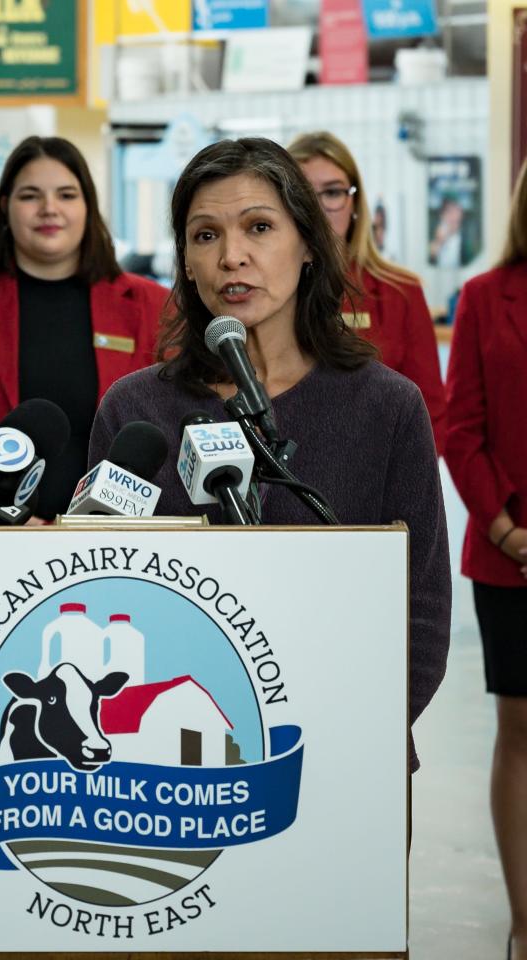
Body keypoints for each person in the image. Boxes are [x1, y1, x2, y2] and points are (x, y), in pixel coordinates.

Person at [89, 137, 450, 772]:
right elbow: (104, 598)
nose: (233, 256)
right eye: (205, 236)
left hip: (352, 755)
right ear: (186, 262)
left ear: (309, 245)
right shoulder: (134, 410)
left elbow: (419, 614)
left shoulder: (389, 407)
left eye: (259, 227)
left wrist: (356, 731)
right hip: (171, 765)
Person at [0, 135, 169, 519]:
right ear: (5, 207)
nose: (49, 209)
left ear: (89, 206)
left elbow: (166, 431)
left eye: (67, 195)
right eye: (30, 196)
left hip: (113, 541)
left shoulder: (151, 305)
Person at [444, 158, 527, 960]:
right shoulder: (483, 296)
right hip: (512, 556)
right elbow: (460, 425)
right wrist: (506, 529)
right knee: (522, 730)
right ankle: (525, 924)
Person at [287, 131, 447, 454]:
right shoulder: (261, 292)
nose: (319, 209)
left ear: (355, 204)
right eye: (304, 194)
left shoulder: (400, 292)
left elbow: (431, 412)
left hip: (377, 480)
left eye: (332, 192)